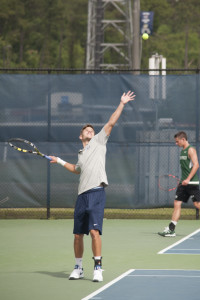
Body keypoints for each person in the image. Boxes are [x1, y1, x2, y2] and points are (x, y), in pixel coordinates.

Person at [50, 91, 136, 282]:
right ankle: (78, 268)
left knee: (94, 232)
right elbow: (77, 169)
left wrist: (122, 103)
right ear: (80, 135)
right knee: (77, 235)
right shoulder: (81, 152)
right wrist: (60, 160)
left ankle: (98, 267)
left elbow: (112, 122)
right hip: (81, 196)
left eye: (92, 129)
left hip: (97, 192)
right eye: (86, 130)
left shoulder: (99, 141)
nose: (90, 131)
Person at [158, 131, 200, 237]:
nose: (176, 144)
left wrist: (188, 179)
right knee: (177, 203)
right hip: (183, 184)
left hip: (192, 183)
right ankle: (171, 229)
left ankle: (171, 229)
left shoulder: (191, 150)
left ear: (183, 139)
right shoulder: (182, 151)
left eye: (177, 142)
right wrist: (183, 180)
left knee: (197, 204)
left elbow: (196, 165)